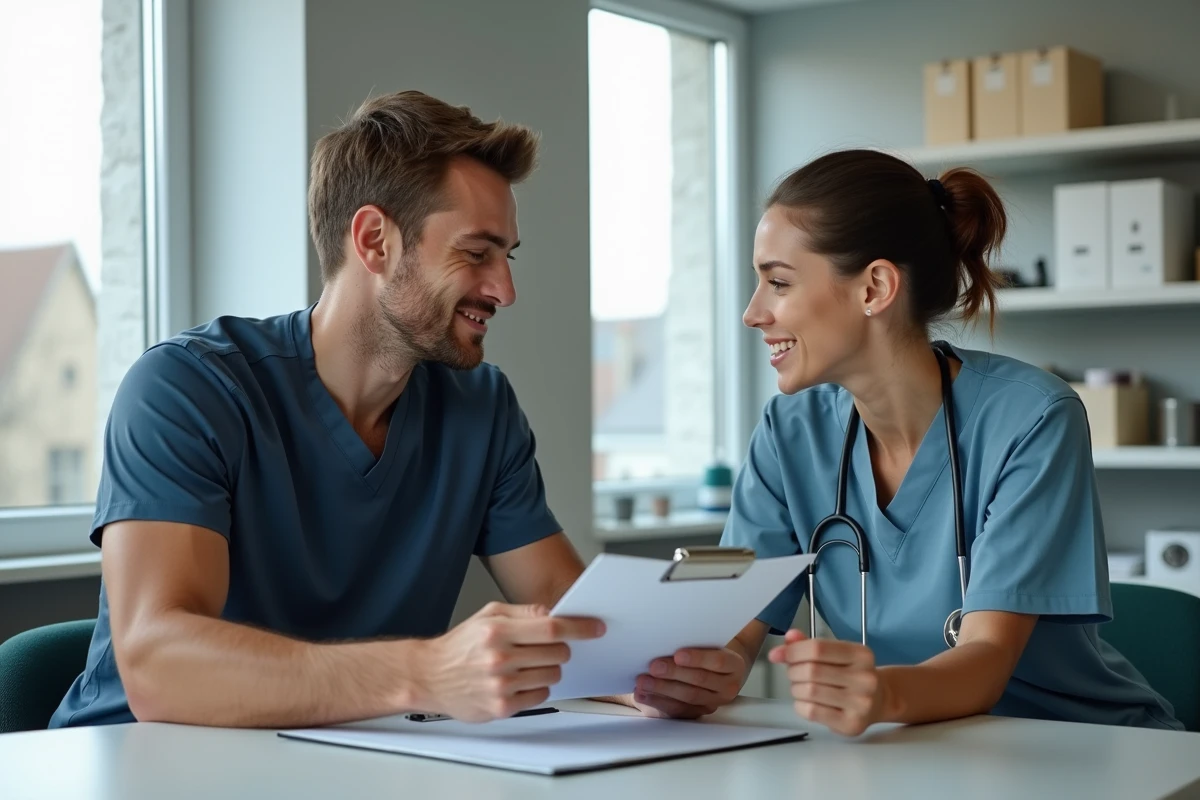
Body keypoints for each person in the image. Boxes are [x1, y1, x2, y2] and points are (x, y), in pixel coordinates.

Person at [50, 90, 743, 728]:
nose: (504, 289)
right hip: (137, 762)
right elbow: (158, 668)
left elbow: (580, 625)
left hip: (351, 763)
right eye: (477, 253)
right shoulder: (187, 389)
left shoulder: (482, 409)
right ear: (375, 241)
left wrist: (653, 676)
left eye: (507, 256)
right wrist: (425, 673)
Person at [671, 149, 1181, 735]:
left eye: (778, 282)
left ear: (875, 288)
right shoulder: (789, 433)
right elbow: (731, 631)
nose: (752, 313)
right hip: (921, 748)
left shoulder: (1032, 418)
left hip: (1084, 747)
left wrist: (880, 693)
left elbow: (986, 659)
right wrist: (703, 671)